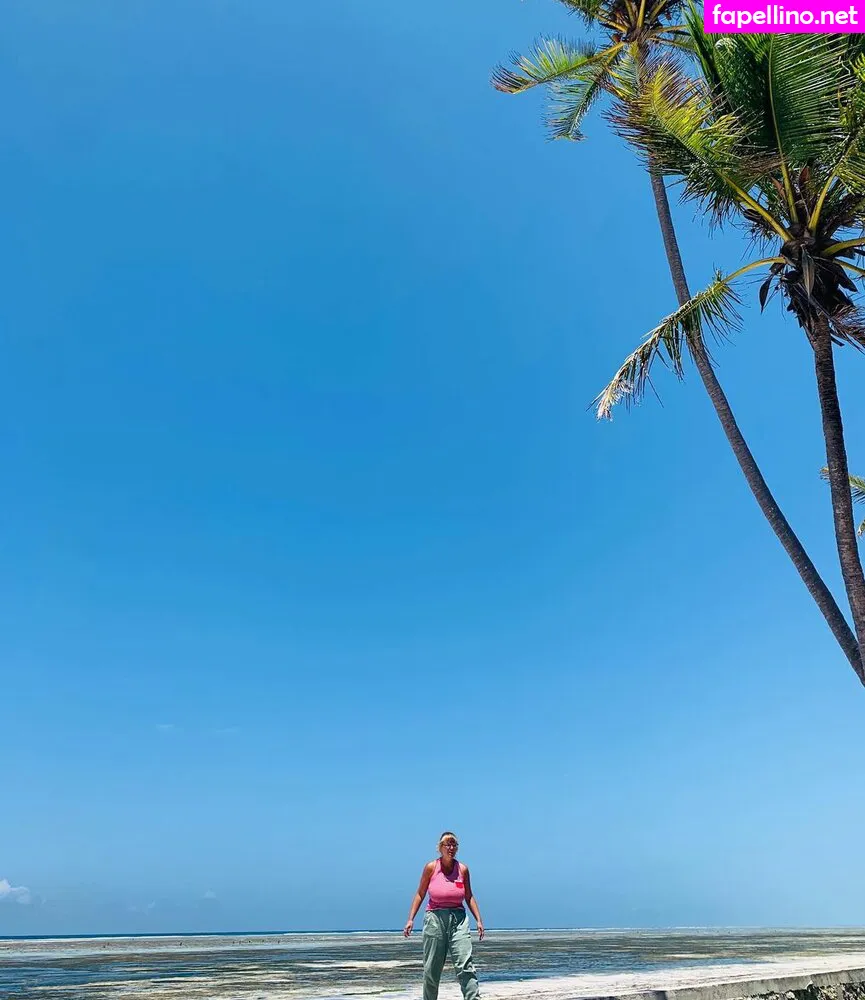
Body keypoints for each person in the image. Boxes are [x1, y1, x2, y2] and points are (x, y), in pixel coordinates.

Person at [403, 831, 484, 1000]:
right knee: (432, 969)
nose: (451, 848)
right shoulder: (431, 867)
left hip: (458, 920)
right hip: (435, 919)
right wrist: (410, 919)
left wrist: (479, 920)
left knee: (465, 965)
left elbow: (469, 896)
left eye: (454, 844)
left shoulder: (463, 869)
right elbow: (420, 893)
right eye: (448, 844)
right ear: (440, 847)